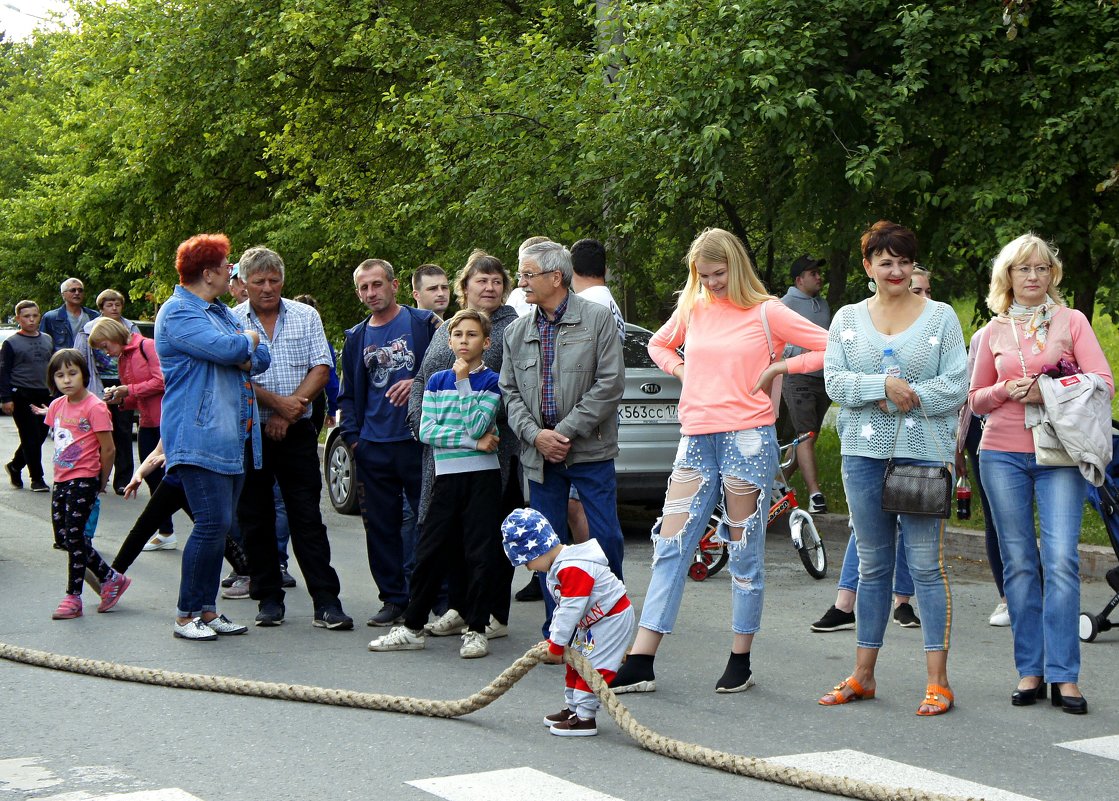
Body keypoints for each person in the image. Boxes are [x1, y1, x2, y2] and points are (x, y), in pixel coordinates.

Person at [609, 227, 827, 695]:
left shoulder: (768, 311)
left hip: (748, 438)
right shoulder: (693, 307)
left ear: (736, 266)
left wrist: (779, 368)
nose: (711, 283)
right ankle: (642, 658)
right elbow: (658, 345)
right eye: (703, 275)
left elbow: (832, 347)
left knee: (743, 549)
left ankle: (740, 658)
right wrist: (682, 369)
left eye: (718, 274)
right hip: (695, 437)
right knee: (671, 545)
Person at [815, 220, 966, 717]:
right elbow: (835, 382)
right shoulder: (847, 319)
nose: (896, 270)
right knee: (873, 565)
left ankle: (938, 682)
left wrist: (912, 394)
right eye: (886, 261)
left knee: (925, 566)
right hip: (862, 455)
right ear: (868, 267)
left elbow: (956, 387)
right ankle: (863, 675)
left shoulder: (941, 317)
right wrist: (882, 386)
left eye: (903, 261)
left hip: (924, 455)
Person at [970, 233, 1113, 714]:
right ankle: (1030, 670)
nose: (1033, 277)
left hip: (1060, 456)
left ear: (1053, 275)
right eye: (1023, 269)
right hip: (1001, 454)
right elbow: (974, 401)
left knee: (1061, 560)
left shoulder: (1071, 320)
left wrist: (1049, 390)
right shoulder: (992, 332)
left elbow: (1103, 382)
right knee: (1019, 564)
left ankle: (1065, 676)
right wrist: (1007, 390)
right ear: (1007, 278)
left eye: (1041, 268)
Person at [500, 239, 626, 638]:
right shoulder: (516, 331)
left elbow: (609, 384)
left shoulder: (596, 318)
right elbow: (509, 393)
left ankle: (609, 622)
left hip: (589, 450)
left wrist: (564, 432)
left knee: (605, 537)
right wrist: (537, 437)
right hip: (540, 457)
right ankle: (560, 627)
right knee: (545, 545)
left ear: (556, 277)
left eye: (527, 274)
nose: (521, 282)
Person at [369, 309, 503, 658]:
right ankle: (412, 626)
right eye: (458, 335)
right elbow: (427, 432)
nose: (464, 341)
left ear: (486, 343)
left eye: (472, 335)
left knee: (479, 554)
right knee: (429, 552)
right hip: (447, 478)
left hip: (482, 479)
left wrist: (464, 384)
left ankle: (476, 629)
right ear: (449, 340)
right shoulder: (436, 380)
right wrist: (474, 443)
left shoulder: (491, 381)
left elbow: (476, 421)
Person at [231, 246, 352, 630]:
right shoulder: (231, 321)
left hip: (297, 428)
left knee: (306, 517)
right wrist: (279, 405)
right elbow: (237, 377)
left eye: (274, 280)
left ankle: (327, 602)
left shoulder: (305, 315)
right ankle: (268, 598)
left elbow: (322, 365)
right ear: (243, 284)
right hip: (250, 432)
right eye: (258, 281)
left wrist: (290, 409)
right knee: (255, 517)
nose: (267, 288)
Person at [157, 233, 270, 641]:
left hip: (233, 436)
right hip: (198, 435)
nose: (232, 274)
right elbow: (231, 351)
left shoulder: (219, 311)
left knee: (218, 525)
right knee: (210, 523)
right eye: (228, 268)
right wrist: (246, 344)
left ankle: (208, 610)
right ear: (208, 273)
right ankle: (187, 615)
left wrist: (244, 346)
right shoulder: (178, 313)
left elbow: (261, 357)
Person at [408, 250, 522, 640]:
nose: (489, 287)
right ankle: (458, 607)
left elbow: (515, 388)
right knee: (450, 532)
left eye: (496, 281)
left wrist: (485, 427)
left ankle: (492, 613)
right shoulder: (449, 328)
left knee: (488, 534)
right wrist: (418, 418)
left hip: (494, 449)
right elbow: (423, 377)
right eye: (481, 280)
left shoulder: (511, 328)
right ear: (465, 287)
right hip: (443, 449)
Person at [810, 270, 931, 633]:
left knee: (912, 527)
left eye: (925, 287)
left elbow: (949, 385)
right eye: (916, 286)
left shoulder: (933, 324)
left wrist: (893, 397)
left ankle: (903, 602)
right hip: (868, 445)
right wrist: (880, 387)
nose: (917, 290)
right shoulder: (860, 323)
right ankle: (847, 603)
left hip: (917, 446)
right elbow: (842, 381)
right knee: (868, 534)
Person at [338, 258, 440, 627]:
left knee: (430, 523)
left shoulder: (422, 324)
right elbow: (347, 394)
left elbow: (445, 372)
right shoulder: (356, 336)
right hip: (373, 446)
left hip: (416, 442)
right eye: (364, 288)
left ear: (394, 285)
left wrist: (416, 383)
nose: (371, 293)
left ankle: (436, 600)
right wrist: (354, 440)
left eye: (377, 285)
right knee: (380, 528)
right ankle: (393, 599)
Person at [501, 508, 634, 737]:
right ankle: (573, 708)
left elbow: (570, 611)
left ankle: (585, 717)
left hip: (611, 619)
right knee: (577, 663)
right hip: (593, 621)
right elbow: (562, 610)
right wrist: (553, 640)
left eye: (527, 562)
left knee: (594, 666)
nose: (529, 568)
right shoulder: (561, 565)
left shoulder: (573, 568)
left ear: (539, 550)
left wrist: (556, 644)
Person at [39, 349, 131, 619]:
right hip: (62, 478)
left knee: (77, 537)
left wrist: (100, 481)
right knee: (64, 538)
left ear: (84, 374)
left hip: (85, 478)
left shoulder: (95, 406)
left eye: (72, 373)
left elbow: (109, 449)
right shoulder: (57, 405)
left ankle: (73, 597)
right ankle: (110, 577)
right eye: (59, 375)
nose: (66, 380)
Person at [111, 440, 251, 583]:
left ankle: (246, 572)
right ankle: (112, 577)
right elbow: (159, 450)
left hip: (198, 480)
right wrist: (139, 474)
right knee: (143, 527)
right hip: (175, 481)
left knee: (214, 530)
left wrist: (176, 455)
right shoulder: (171, 418)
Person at [87, 316, 172, 547]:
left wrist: (128, 389)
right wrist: (119, 399)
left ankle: (171, 531)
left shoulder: (147, 346)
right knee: (153, 478)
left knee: (170, 479)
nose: (106, 353)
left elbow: (163, 380)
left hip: (166, 420)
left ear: (114, 335)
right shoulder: (125, 356)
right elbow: (136, 395)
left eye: (105, 346)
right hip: (147, 421)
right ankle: (166, 532)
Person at [956, 324, 1009, 627]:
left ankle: (1036, 595)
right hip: (984, 431)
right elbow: (967, 396)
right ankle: (1006, 598)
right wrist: (959, 446)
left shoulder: (1053, 326)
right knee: (995, 517)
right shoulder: (983, 336)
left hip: (1035, 431)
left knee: (1020, 520)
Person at [779, 255, 832, 514]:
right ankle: (816, 495)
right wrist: (790, 357)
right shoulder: (785, 304)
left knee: (807, 438)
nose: (819, 276)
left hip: (822, 379)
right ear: (799, 280)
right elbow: (774, 337)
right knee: (805, 436)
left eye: (818, 272)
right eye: (813, 273)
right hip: (797, 378)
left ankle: (775, 488)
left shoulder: (822, 304)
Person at [75, 289, 141, 494]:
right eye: (109, 305)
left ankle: (123, 480)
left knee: (123, 431)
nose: (114, 308)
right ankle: (97, 476)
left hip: (123, 384)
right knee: (98, 433)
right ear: (101, 308)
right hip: (98, 385)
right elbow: (79, 359)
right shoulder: (88, 329)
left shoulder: (130, 327)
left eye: (117, 304)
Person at [2, 300, 53, 492]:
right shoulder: (11, 343)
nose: (31, 320)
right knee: (30, 436)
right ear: (18, 319)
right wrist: (5, 398)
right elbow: (4, 372)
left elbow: (52, 366)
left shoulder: (47, 339)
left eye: (34, 315)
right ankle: (37, 478)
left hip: (44, 393)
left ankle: (15, 466)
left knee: (39, 436)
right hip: (21, 394)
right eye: (26, 316)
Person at [40, 278, 99, 351]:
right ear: (63, 294)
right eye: (73, 290)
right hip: (63, 361)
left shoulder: (94, 316)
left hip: (89, 360)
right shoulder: (50, 318)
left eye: (80, 290)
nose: (77, 293)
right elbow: (43, 344)